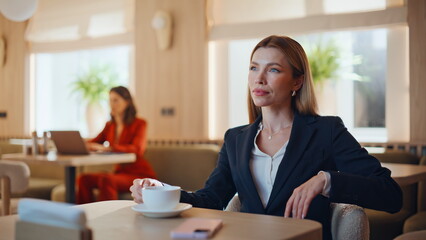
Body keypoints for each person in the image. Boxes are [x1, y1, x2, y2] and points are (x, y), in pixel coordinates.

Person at [129, 35, 402, 239]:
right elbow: (211, 199)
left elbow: (391, 195)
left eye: (273, 69)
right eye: (253, 68)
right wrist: (160, 190)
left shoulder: (326, 131)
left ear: (297, 82)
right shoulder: (235, 139)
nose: (259, 79)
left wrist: (326, 180)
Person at [77, 86, 156, 204]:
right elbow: (94, 142)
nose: (111, 104)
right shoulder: (110, 125)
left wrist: (109, 148)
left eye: (116, 100)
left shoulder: (140, 123)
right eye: (110, 100)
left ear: (127, 102)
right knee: (83, 179)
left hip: (139, 174)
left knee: (107, 179)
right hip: (120, 173)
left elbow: (137, 149)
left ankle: (106, 220)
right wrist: (78, 143)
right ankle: (83, 217)